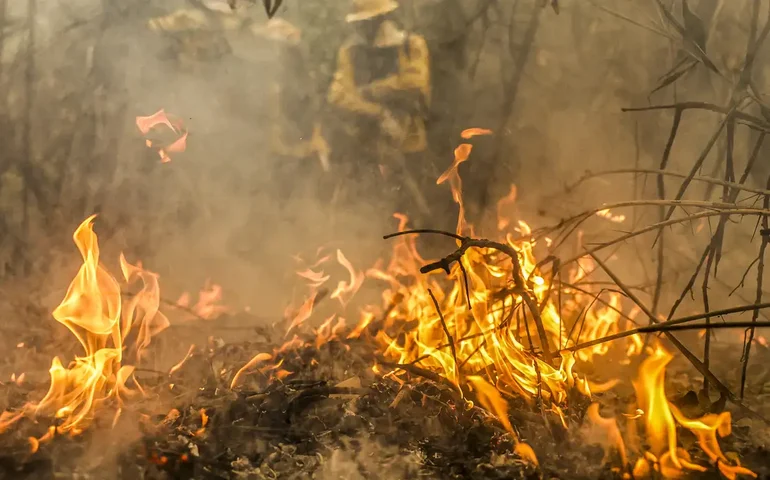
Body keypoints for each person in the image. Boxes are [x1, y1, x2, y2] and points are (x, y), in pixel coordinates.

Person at [326, 0, 433, 224]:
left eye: (367, 22)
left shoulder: (410, 45)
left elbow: (414, 82)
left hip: (408, 144)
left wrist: (371, 91)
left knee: (413, 213)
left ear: (381, 19)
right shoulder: (350, 52)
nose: (362, 28)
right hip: (364, 146)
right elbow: (339, 95)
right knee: (366, 215)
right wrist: (378, 113)